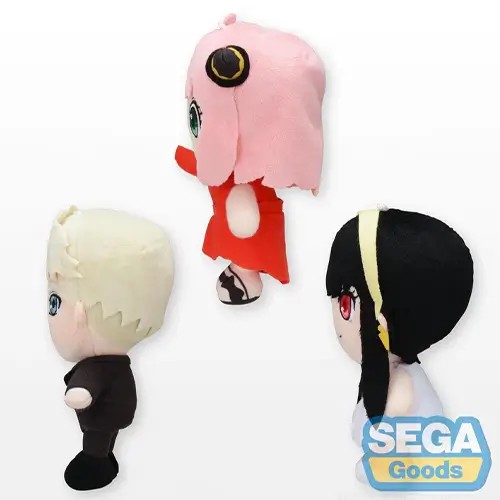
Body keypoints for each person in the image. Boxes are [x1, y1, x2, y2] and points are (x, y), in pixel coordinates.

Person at [175, 14, 325, 305]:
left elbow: (245, 221)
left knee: (245, 234)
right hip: (237, 221)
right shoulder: (230, 175)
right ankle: (242, 270)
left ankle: (244, 273)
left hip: (245, 232)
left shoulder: (242, 187)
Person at [325, 208, 473, 482]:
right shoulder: (392, 374)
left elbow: (382, 430)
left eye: (345, 304)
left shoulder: (401, 385)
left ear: (382, 321)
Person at [47, 206, 174, 490]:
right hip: (114, 407)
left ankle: (95, 461)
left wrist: (79, 393)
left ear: (80, 314)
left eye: (55, 302)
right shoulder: (112, 364)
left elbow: (85, 389)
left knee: (97, 437)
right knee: (106, 434)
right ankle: (104, 456)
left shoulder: (99, 368)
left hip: (103, 414)